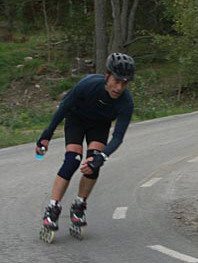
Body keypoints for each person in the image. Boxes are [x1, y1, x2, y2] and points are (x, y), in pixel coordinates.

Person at [36, 53, 135, 233]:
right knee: (72, 160)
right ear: (107, 76)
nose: (119, 88)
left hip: (99, 126)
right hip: (76, 120)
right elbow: (64, 107)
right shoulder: (88, 84)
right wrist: (47, 135)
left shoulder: (126, 103)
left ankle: (79, 205)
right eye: (116, 81)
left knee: (93, 164)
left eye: (125, 83)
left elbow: (118, 137)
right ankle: (52, 208)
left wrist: (102, 157)